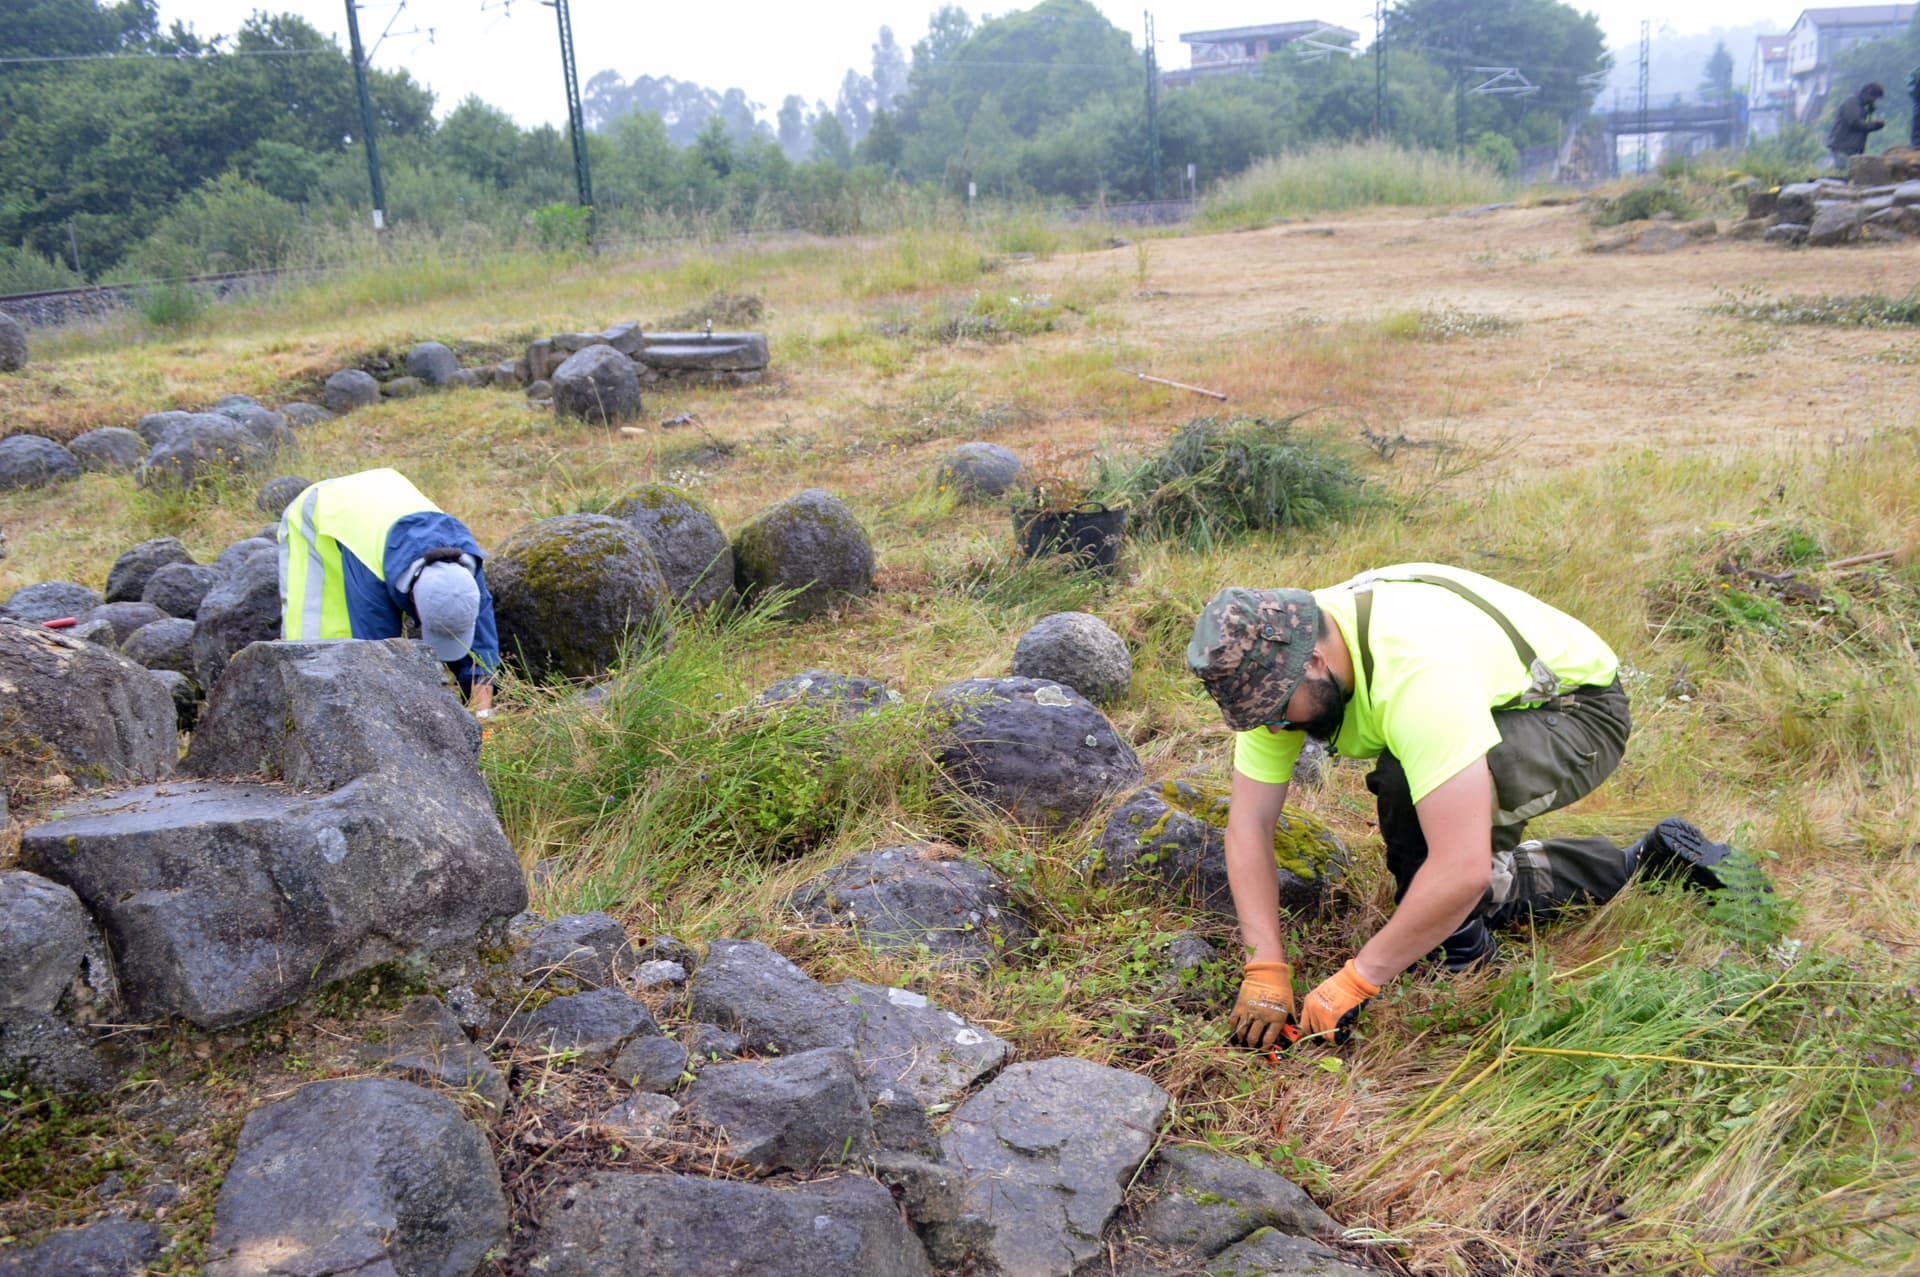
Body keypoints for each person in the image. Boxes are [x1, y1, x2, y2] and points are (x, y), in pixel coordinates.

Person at [1186, 564, 1738, 1050]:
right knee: (1428, 858)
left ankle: (1464, 953)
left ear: (1312, 661)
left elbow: (1462, 866)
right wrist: (1264, 966)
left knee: (1423, 820)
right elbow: (1250, 827)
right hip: (1483, 699)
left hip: (1573, 712)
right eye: (1260, 718)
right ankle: (1645, 864)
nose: (1276, 728)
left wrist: (1360, 978)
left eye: (1279, 712)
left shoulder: (1418, 676)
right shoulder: (1273, 676)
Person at [278, 467, 500, 715]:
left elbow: (481, 643)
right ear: (413, 599)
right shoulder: (371, 579)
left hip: (385, 492)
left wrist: (483, 714)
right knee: (320, 646)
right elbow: (377, 655)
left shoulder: (466, 569)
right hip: (323, 510)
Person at [1828, 82, 1885, 170]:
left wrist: (1868, 111)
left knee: (1853, 173)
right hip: (1843, 147)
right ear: (1868, 93)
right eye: (1874, 98)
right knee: (1845, 173)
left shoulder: (1860, 105)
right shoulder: (1852, 102)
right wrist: (1875, 125)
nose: (1874, 101)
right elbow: (1855, 123)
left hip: (1851, 148)